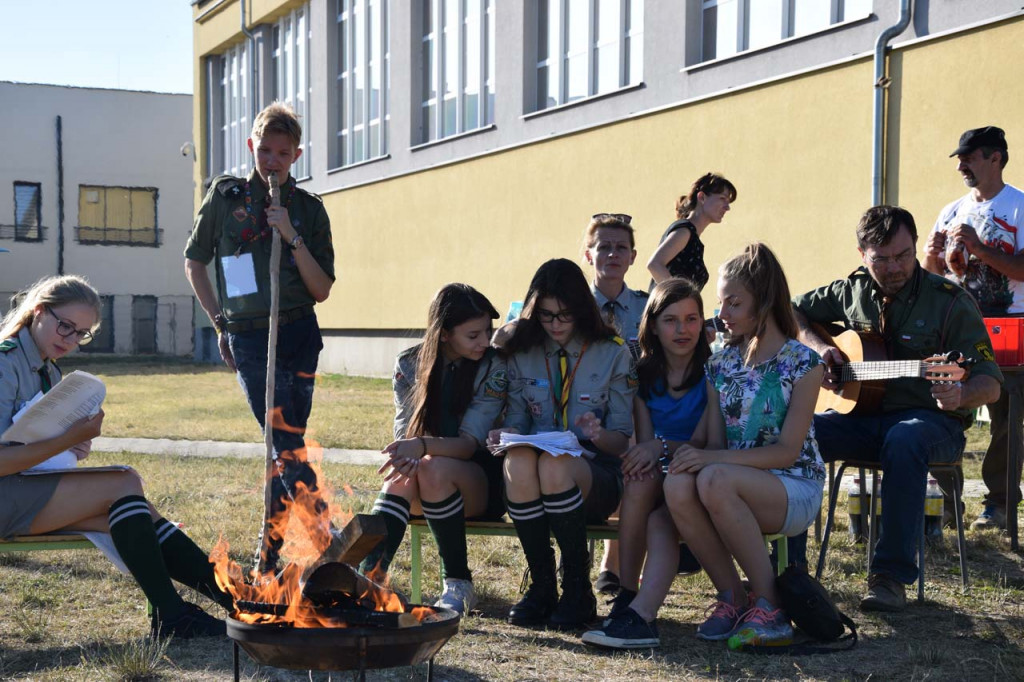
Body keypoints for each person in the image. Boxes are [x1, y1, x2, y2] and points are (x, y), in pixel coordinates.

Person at [793, 205, 1002, 611]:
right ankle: (789, 570)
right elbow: (789, 308)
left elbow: (990, 383)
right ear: (861, 253)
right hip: (860, 418)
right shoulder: (850, 292)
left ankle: (889, 577)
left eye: (904, 255)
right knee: (800, 431)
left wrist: (961, 395)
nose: (895, 267)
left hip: (931, 424)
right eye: (882, 258)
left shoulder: (950, 303)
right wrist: (822, 349)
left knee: (905, 439)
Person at [0, 275, 232, 638]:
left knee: (127, 516)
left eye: (82, 333)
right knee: (124, 484)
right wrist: (67, 440)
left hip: (19, 489)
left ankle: (236, 603)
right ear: (39, 312)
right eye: (65, 326)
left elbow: (26, 443)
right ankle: (182, 613)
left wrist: (69, 443)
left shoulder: (48, 367)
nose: (71, 339)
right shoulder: (6, 363)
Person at [184, 102, 335, 574]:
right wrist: (218, 322)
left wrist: (290, 235)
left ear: (296, 156)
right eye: (264, 150)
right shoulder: (226, 199)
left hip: (298, 332)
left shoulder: (308, 210)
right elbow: (195, 263)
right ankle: (328, 542)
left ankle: (267, 560)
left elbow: (322, 288)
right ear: (252, 146)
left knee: (283, 449)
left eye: (283, 153)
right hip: (250, 336)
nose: (272, 160)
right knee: (285, 441)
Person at [664, 243, 825, 646]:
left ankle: (770, 607)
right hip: (731, 482)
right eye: (721, 303)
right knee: (677, 483)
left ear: (765, 300)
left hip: (793, 485)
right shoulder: (720, 364)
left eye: (733, 303)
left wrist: (711, 459)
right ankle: (733, 597)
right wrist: (675, 452)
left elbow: (788, 452)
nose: (722, 315)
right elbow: (716, 441)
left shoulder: (804, 363)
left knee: (713, 476)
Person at [490, 259, 637, 629]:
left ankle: (577, 588)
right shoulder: (524, 352)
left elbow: (622, 442)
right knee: (518, 459)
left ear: (582, 310)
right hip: (539, 476)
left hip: (597, 478)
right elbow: (519, 419)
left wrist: (601, 435)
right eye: (546, 315)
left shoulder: (613, 352)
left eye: (565, 315)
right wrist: (505, 434)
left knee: (554, 464)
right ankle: (542, 586)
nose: (555, 325)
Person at [357, 284, 507, 614]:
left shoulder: (493, 366)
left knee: (431, 466)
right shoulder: (409, 362)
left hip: (480, 483)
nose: (485, 341)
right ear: (444, 335)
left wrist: (421, 445)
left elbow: (469, 445)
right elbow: (405, 432)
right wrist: (410, 450)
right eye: (473, 335)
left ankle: (458, 582)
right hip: (424, 480)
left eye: (488, 331)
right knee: (402, 476)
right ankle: (366, 581)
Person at [581, 278, 713, 649]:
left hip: (702, 468)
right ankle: (626, 591)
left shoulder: (712, 371)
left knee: (655, 494)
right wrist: (649, 451)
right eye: (671, 320)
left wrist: (661, 446)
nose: (682, 329)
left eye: (691, 319)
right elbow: (642, 440)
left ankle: (637, 606)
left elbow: (708, 442)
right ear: (652, 324)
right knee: (637, 480)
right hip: (660, 466)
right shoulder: (643, 373)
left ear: (703, 323)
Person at [922, 126, 1024, 531]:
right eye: (960, 159)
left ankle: (999, 506)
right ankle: (946, 505)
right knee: (945, 408)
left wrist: (980, 248)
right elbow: (935, 277)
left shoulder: (1019, 206)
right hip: (959, 327)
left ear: (995, 157)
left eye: (970, 157)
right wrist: (930, 258)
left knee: (1007, 420)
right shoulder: (951, 210)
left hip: (1009, 327)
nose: (961, 165)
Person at [582, 212, 649, 594]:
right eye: (603, 246)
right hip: (580, 415)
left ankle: (615, 566)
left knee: (635, 456)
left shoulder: (646, 309)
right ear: (588, 255)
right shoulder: (571, 310)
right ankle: (574, 561)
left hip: (633, 414)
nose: (612, 253)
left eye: (621, 247)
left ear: (633, 256)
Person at [647, 172, 737, 290]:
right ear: (702, 197)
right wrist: (679, 300)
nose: (727, 207)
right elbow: (654, 264)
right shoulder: (685, 230)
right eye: (722, 198)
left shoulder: (691, 235)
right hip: (669, 308)